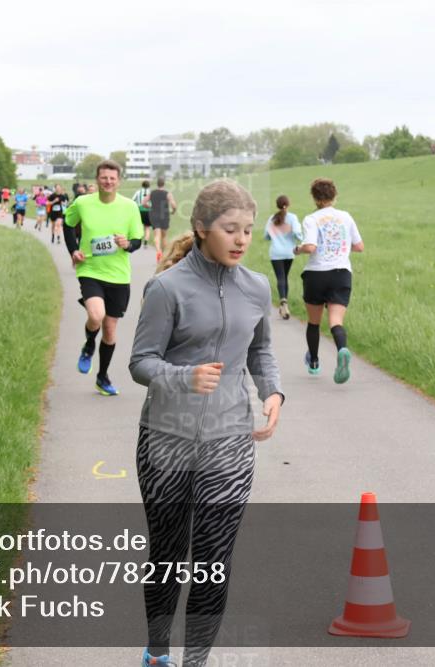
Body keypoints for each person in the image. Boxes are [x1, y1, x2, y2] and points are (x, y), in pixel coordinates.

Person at [129, 179, 284, 667]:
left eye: (248, 231)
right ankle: (157, 653)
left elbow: (261, 350)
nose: (240, 240)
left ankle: (195, 661)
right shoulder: (166, 288)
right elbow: (141, 362)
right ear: (201, 229)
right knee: (169, 557)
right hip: (167, 440)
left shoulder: (256, 286)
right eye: (229, 229)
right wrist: (183, 377)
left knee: (214, 563)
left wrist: (273, 392)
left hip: (230, 440)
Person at [64, 159, 143, 396]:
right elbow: (68, 224)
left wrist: (126, 243)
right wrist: (73, 250)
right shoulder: (83, 203)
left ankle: (102, 377)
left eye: (112, 178)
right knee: (96, 316)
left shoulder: (129, 207)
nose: (108, 181)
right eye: (103, 177)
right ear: (97, 179)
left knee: (109, 329)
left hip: (118, 275)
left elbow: (137, 241)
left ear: (118, 181)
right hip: (90, 269)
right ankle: (88, 345)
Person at [294, 178, 364, 382]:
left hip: (316, 274)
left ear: (314, 198)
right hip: (341, 273)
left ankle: (314, 362)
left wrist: (297, 249)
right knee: (335, 321)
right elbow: (359, 246)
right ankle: (342, 349)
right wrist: (341, 247)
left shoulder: (311, 218)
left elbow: (310, 247)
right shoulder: (346, 217)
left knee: (314, 322)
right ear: (335, 196)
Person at [264, 195, 303, 319]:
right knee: (285, 277)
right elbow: (297, 233)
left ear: (277, 205)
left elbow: (266, 236)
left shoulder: (272, 218)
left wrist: (274, 236)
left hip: (276, 253)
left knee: (280, 277)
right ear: (288, 204)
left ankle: (283, 302)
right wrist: (301, 239)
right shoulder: (292, 218)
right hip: (289, 252)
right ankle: (284, 304)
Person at [148, 177, 177, 263]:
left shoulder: (152, 193)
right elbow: (174, 205)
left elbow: (143, 202)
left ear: (157, 183)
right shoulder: (167, 194)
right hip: (164, 215)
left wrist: (150, 207)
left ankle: (158, 252)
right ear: (164, 183)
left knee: (157, 235)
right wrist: (173, 211)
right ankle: (164, 255)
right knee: (164, 236)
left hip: (154, 215)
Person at [132, 180, 153, 250]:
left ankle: (139, 240)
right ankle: (146, 242)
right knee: (147, 227)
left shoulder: (138, 192)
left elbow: (132, 200)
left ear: (142, 185)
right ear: (149, 185)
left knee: (140, 225)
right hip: (148, 211)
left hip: (139, 210)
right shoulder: (151, 192)